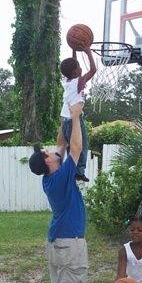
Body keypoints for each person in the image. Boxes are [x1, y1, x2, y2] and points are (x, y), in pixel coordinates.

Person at [29, 103, 88, 283]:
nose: (51, 150)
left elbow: (62, 144)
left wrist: (65, 118)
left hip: (57, 243)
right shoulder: (62, 175)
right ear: (47, 161)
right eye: (47, 152)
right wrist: (75, 118)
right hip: (69, 244)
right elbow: (75, 147)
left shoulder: (50, 178)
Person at [59, 46, 96, 182]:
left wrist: (75, 48)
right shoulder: (78, 81)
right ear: (75, 72)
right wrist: (88, 52)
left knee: (71, 147)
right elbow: (93, 70)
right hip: (74, 118)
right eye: (79, 66)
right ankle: (78, 172)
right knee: (82, 145)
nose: (81, 68)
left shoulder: (67, 81)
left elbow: (72, 64)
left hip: (65, 120)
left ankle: (73, 171)